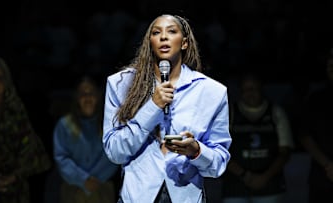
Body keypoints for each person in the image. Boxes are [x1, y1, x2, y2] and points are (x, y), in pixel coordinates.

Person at [102, 14, 232, 203]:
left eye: (171, 31)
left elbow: (218, 164)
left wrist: (196, 151)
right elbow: (115, 152)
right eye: (156, 32)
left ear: (184, 43)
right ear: (150, 42)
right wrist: (152, 107)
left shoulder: (212, 92)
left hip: (185, 196)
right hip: (137, 196)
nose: (163, 37)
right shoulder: (121, 84)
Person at [0, 56, 52, 203]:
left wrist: (12, 177)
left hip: (13, 191)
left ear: (6, 83)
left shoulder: (17, 111)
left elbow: (33, 152)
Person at [221, 73, 295, 203]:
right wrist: (245, 175)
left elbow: (285, 151)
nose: (250, 93)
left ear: (261, 89)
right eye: (246, 89)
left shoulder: (275, 112)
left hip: (270, 186)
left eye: (254, 88)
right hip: (235, 187)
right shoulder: (229, 114)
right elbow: (219, 150)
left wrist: (264, 178)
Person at [53, 75, 119, 203]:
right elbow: (61, 157)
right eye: (83, 94)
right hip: (73, 189)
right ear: (77, 98)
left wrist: (96, 179)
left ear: (99, 97)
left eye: (91, 94)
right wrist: (83, 179)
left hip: (102, 188)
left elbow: (114, 153)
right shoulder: (64, 125)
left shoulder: (110, 123)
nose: (88, 98)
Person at [298, 51, 333, 203]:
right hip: (323, 177)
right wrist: (328, 165)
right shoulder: (316, 99)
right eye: (330, 65)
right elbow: (304, 135)